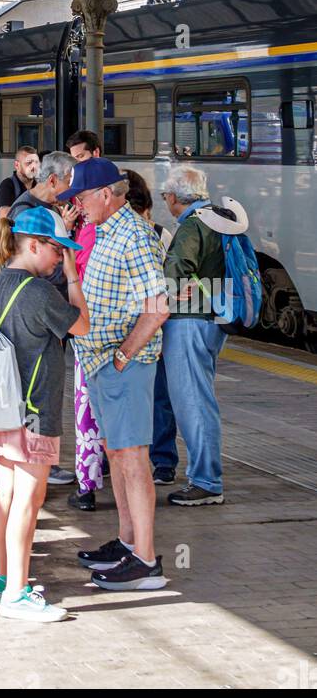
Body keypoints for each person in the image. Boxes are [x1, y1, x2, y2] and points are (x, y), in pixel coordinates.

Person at [57, 158, 170, 590]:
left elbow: (157, 308)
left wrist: (122, 356)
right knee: (119, 456)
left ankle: (145, 559)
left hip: (122, 366)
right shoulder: (106, 230)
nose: (79, 206)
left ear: (106, 194)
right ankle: (127, 542)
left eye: (82, 197)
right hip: (100, 363)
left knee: (132, 458)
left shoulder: (135, 236)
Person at [0, 207, 89, 622]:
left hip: (0, 407)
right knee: (28, 498)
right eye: (57, 249)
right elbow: (83, 325)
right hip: (34, 410)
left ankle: (4, 578)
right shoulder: (41, 293)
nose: (60, 258)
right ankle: (18, 595)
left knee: (4, 494)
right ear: (34, 245)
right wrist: (74, 278)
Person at [154, 165, 237, 508]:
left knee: (193, 403)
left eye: (165, 196)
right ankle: (206, 477)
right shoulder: (220, 218)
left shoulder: (192, 226)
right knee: (198, 400)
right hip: (213, 319)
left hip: (190, 322)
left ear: (173, 197)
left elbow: (175, 273)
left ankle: (206, 481)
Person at [8, 150, 79, 488]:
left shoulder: (41, 210)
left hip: (42, 320)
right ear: (53, 180)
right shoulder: (27, 212)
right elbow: (81, 323)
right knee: (34, 390)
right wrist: (69, 277)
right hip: (40, 323)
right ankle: (38, 468)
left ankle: (35, 465)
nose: (71, 191)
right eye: (68, 183)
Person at [67, 132, 103, 512]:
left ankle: (87, 484)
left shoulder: (92, 229)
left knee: (87, 410)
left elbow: (79, 272)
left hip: (90, 329)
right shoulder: (124, 228)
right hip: (110, 335)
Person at [0, 146, 38, 226]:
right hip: (9, 236)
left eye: (36, 162)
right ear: (17, 165)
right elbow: (5, 215)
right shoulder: (7, 185)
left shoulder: (38, 186)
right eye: (28, 163)